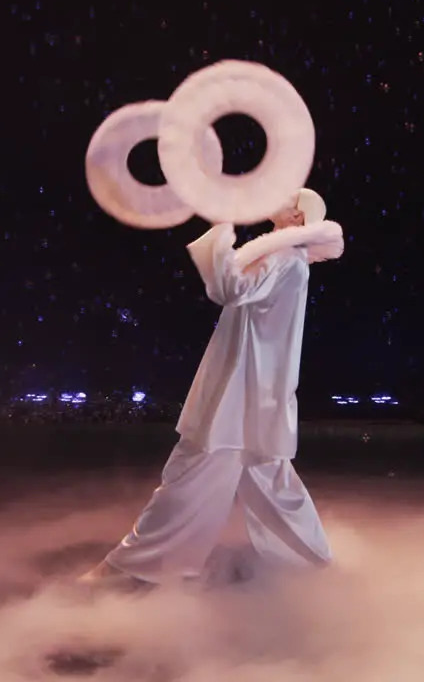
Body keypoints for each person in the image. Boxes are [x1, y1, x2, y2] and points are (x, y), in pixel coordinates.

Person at [80, 188, 344, 588]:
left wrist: (222, 228)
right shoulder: (286, 259)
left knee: (189, 477)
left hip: (238, 398)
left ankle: (131, 568)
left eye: (291, 200)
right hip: (254, 396)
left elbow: (229, 289)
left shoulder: (285, 259)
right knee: (272, 483)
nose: (279, 198)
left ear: (298, 219)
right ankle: (315, 569)